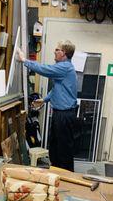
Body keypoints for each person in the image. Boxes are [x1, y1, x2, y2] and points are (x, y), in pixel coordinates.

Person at [18, 40, 77, 171]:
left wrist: (24, 61)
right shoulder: (64, 68)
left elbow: (45, 69)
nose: (54, 51)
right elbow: (58, 88)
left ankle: (67, 179)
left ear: (64, 54)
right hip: (60, 115)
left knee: (64, 151)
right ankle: (56, 175)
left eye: (57, 49)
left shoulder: (65, 67)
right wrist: (44, 99)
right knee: (55, 149)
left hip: (65, 116)